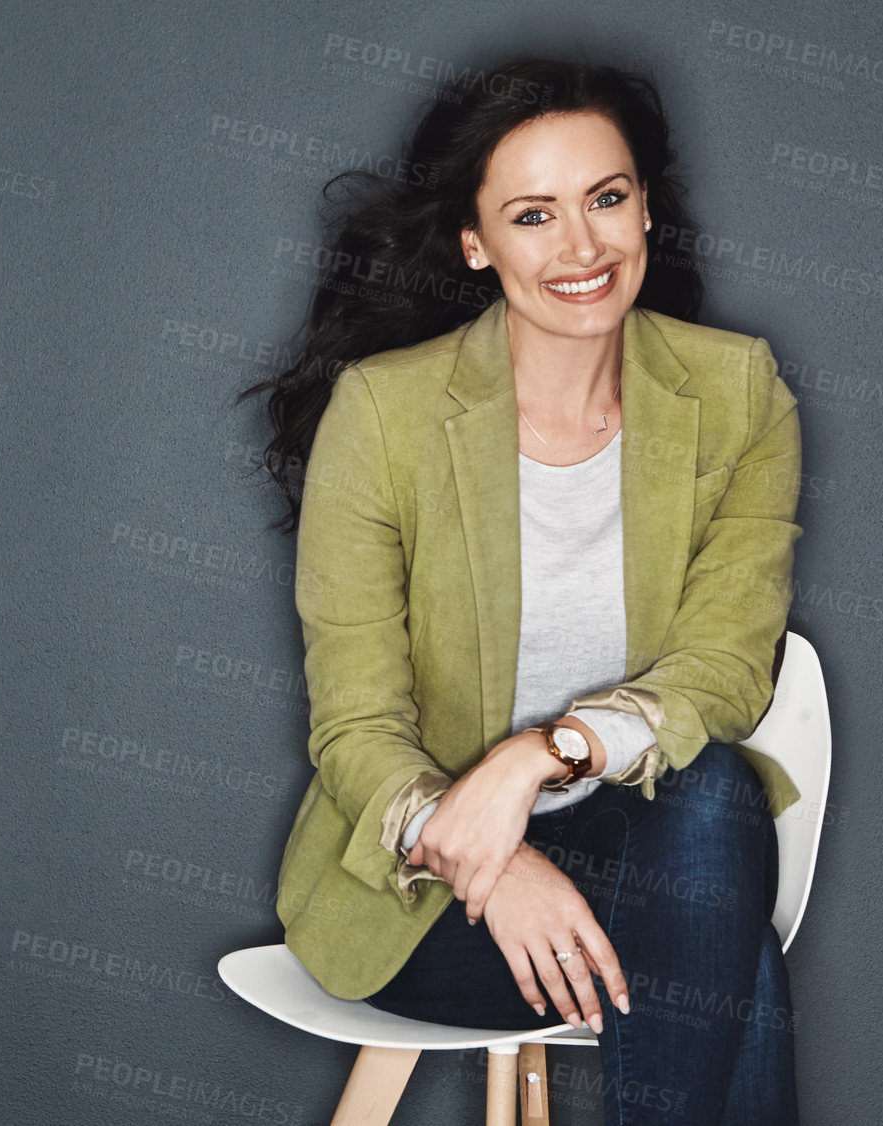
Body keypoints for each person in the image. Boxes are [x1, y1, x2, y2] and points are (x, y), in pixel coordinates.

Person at [239, 57, 806, 1123]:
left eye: (605, 198)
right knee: (738, 961)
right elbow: (356, 728)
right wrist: (491, 865)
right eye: (532, 215)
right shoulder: (385, 414)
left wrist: (545, 754)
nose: (581, 247)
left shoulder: (737, 396)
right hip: (418, 893)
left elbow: (725, 667)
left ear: (644, 205)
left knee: (713, 790)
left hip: (648, 844)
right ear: (474, 240)